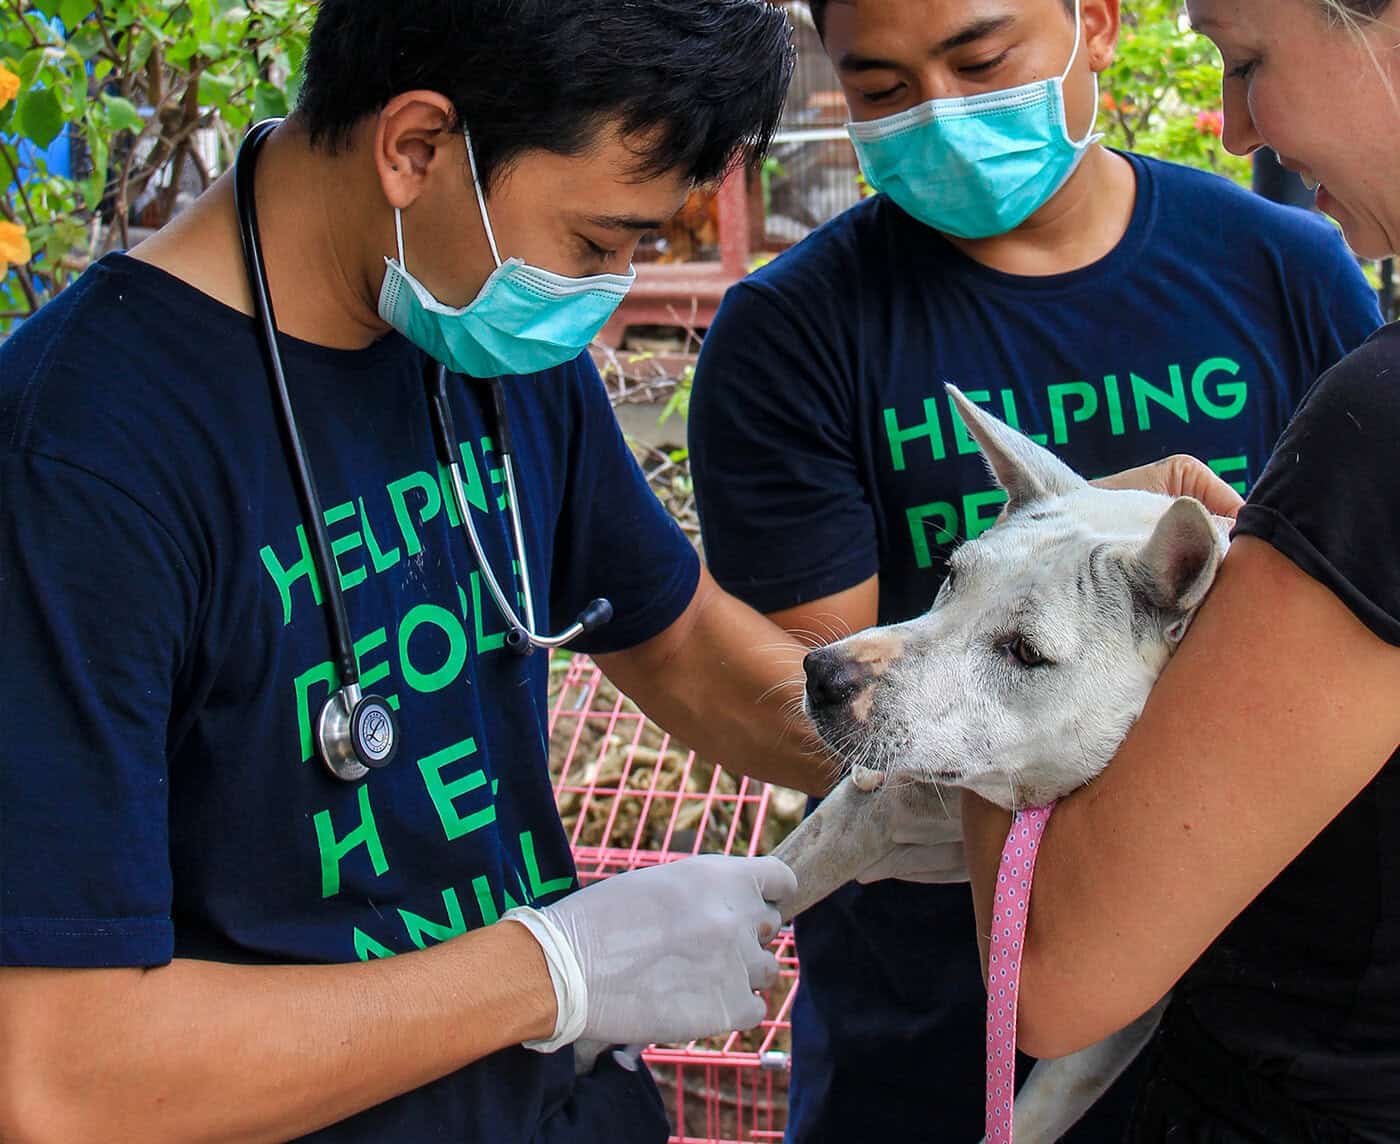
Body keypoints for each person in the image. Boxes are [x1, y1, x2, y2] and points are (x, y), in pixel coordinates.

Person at [0, 3, 847, 1140]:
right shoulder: (83, 458)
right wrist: (554, 968)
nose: (605, 289)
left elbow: (674, 636)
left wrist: (907, 757)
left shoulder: (476, 326)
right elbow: (64, 1078)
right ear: (414, 149)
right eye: (595, 243)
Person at [687, 0, 1383, 1140]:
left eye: (977, 58)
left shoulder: (1291, 270)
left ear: (1095, 25)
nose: (942, 116)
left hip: (1243, 1041)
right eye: (879, 89)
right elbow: (826, 704)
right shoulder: (791, 330)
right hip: (919, 1035)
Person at [956, 0, 1400, 1139]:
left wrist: (969, 659)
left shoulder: (1376, 425)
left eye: (1248, 59)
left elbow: (1053, 976)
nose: (1236, 121)